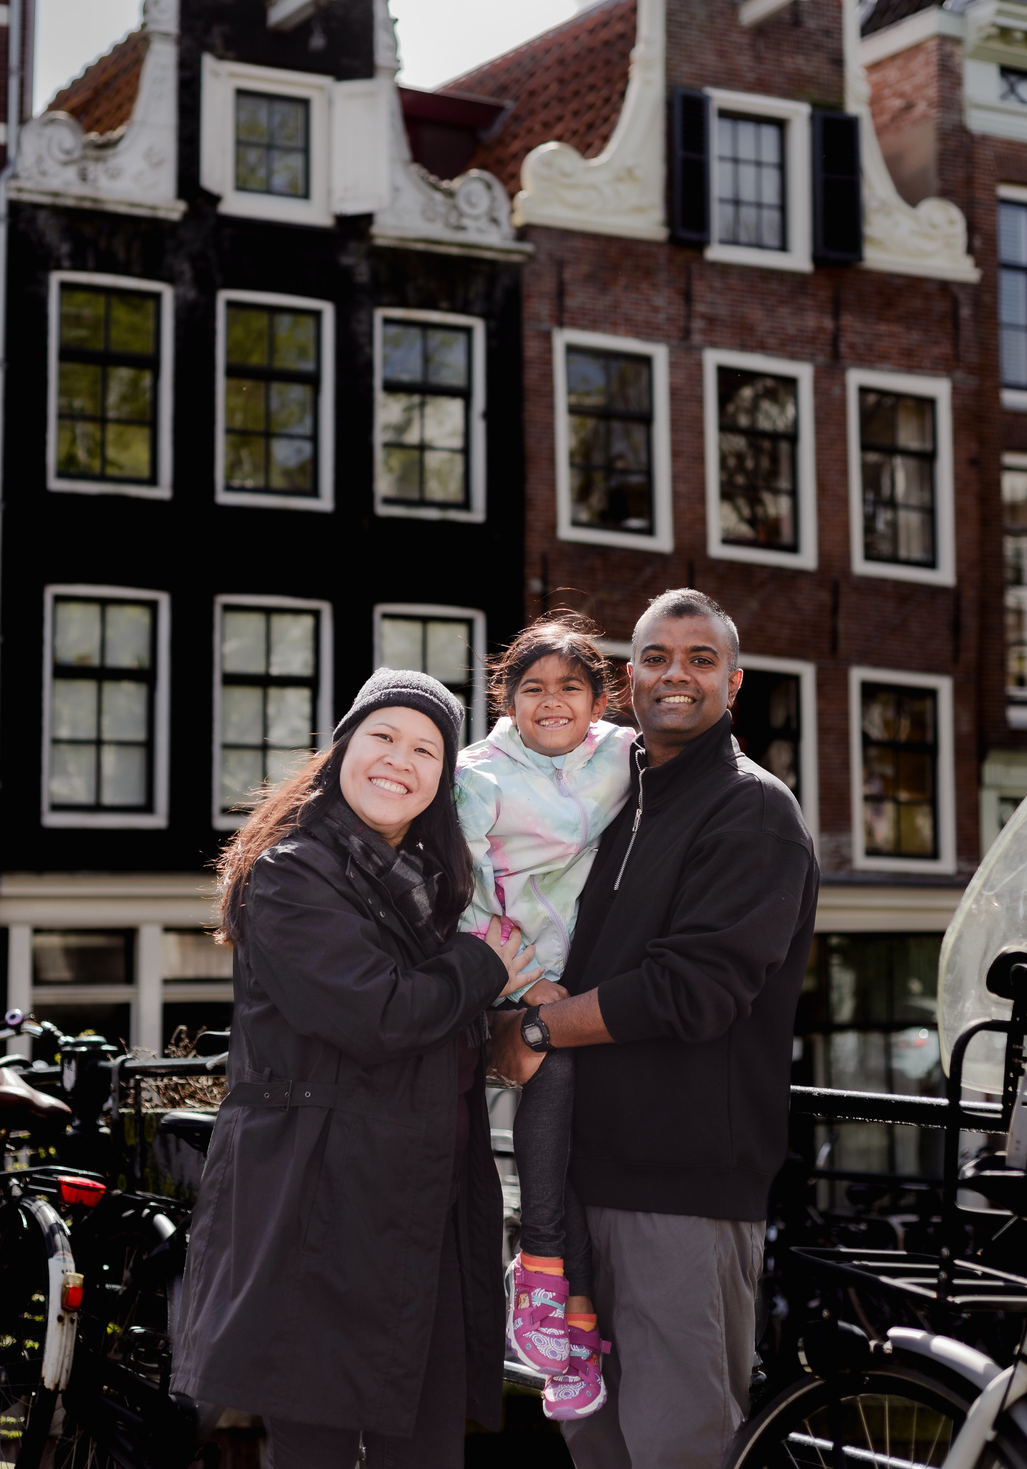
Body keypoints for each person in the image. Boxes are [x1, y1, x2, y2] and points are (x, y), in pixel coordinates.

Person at [171, 667, 538, 1469]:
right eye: (382, 736)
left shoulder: (440, 888)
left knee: (429, 1447)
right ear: (342, 747)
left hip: (422, 1211)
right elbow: (377, 1014)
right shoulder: (290, 873)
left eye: (426, 750)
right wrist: (483, 968)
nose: (399, 761)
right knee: (318, 1448)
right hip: (318, 1210)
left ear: (443, 780)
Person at [490, 588, 819, 1469]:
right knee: (590, 1435)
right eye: (656, 658)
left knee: (679, 1443)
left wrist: (537, 1032)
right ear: (627, 679)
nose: (677, 674)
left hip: (681, 1186)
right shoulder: (610, 797)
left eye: (701, 659)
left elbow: (693, 991)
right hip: (577, 1180)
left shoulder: (753, 812)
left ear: (735, 682)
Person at [454, 613, 635, 1421]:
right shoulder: (477, 776)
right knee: (553, 1071)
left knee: (597, 1132)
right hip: (511, 966)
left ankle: (578, 1329)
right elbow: (454, 895)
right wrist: (525, 987)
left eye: (571, 687)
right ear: (508, 698)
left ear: (600, 699)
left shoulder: (623, 757)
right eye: (533, 689)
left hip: (593, 970)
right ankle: (538, 1261)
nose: (552, 702)